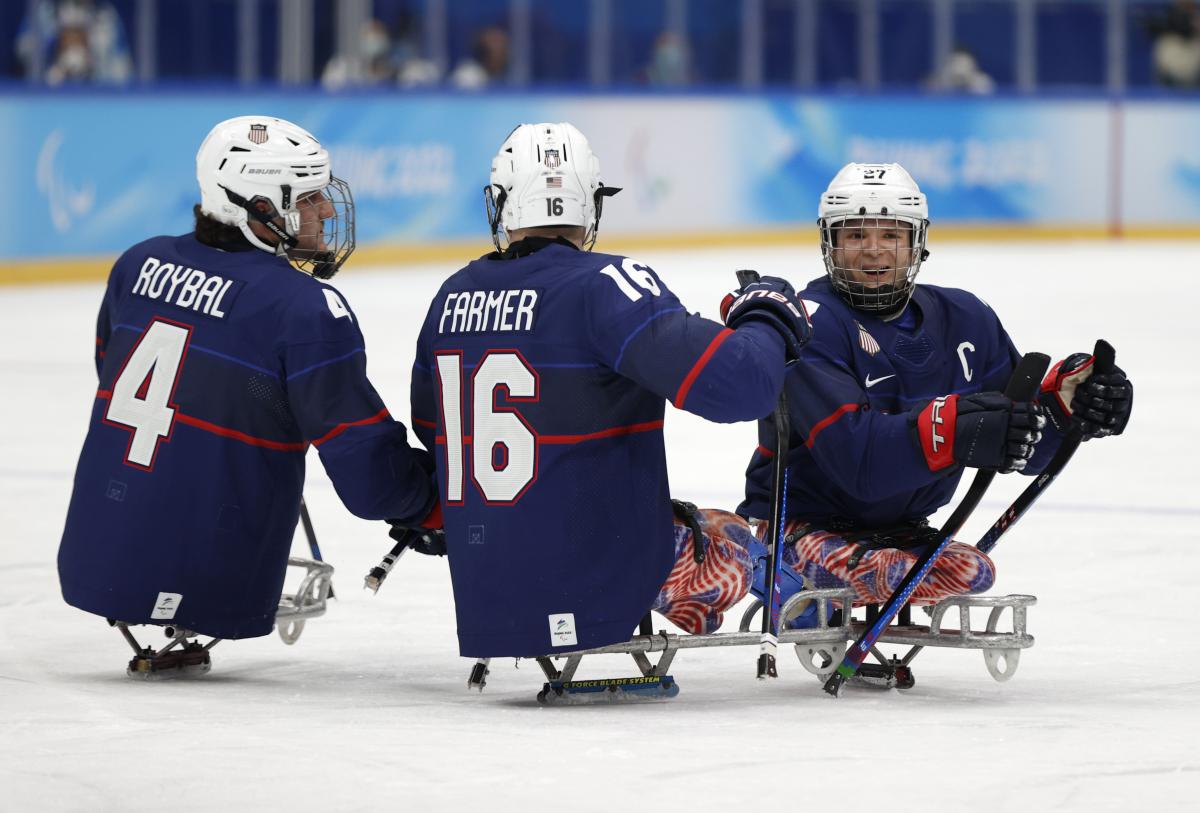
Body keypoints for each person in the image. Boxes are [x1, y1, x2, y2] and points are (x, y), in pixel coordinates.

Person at [408, 122, 813, 658]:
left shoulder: (451, 297)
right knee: (737, 544)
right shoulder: (605, 286)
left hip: (489, 593)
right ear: (589, 205)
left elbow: (435, 434)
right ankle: (811, 613)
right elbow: (741, 387)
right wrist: (765, 315)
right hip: (594, 586)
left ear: (502, 204)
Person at [57, 116, 438, 661]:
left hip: (91, 560)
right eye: (308, 198)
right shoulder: (303, 308)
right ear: (259, 206)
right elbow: (367, 469)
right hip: (213, 575)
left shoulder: (136, 264)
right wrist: (430, 502)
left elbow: (109, 370)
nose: (326, 211)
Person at [739, 162, 1133, 623]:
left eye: (891, 236)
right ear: (829, 242)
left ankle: (844, 587)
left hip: (902, 534)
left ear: (917, 243)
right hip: (799, 527)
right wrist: (952, 428)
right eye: (855, 236)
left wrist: (1065, 415)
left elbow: (1020, 445)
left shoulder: (966, 317)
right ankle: (777, 570)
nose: (873, 251)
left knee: (974, 570)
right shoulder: (806, 323)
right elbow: (858, 464)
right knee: (896, 571)